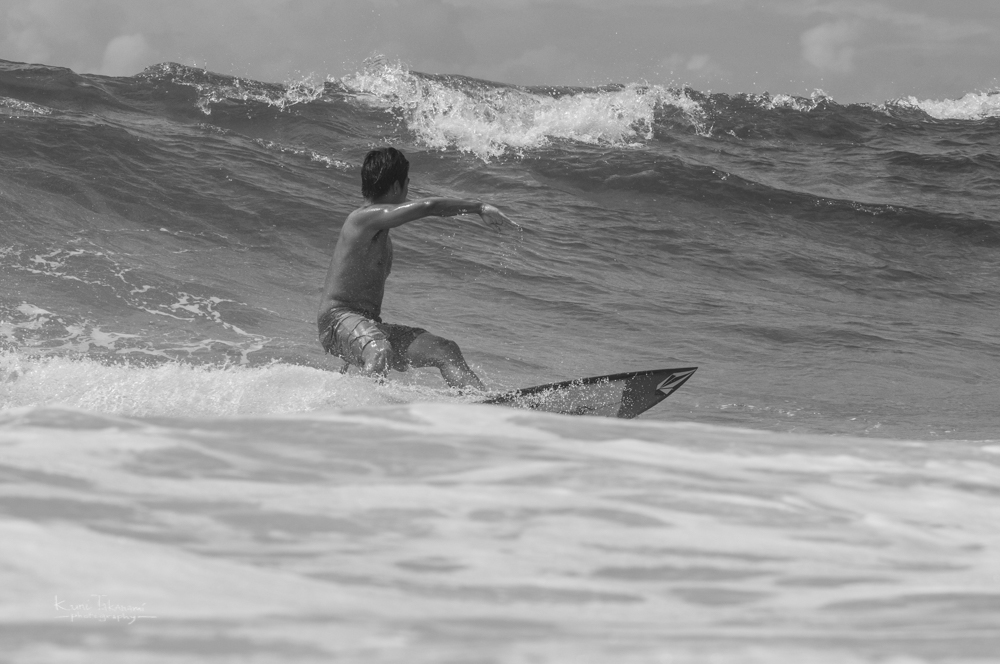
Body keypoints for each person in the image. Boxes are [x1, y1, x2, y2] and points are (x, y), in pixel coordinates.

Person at [317, 147, 516, 390]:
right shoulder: (361, 219)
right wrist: (479, 207)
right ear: (396, 186)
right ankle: (357, 409)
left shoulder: (379, 235)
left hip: (367, 326)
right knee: (379, 351)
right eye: (407, 183)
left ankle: (482, 403)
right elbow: (428, 206)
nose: (408, 189)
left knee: (444, 349)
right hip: (337, 320)